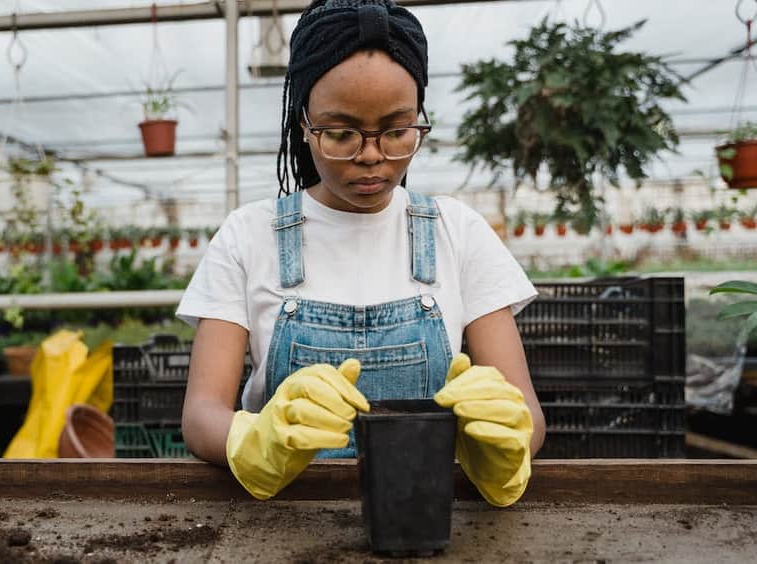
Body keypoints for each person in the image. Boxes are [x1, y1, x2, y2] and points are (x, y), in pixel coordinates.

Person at [176, 0, 544, 507]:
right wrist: (255, 439)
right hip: (286, 519)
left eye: (396, 131)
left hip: (426, 514)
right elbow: (201, 414)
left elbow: (527, 413)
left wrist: (503, 441)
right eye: (341, 133)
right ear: (303, 124)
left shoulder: (458, 231)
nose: (371, 155)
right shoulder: (249, 235)